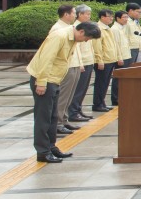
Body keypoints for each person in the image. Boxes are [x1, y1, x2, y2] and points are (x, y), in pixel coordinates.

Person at [27, 21, 101, 162]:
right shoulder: (59, 36)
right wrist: (41, 82)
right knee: (43, 118)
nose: (86, 41)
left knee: (53, 117)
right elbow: (45, 59)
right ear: (81, 32)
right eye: (87, 38)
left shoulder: (72, 37)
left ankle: (51, 147)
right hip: (45, 80)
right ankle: (42, 152)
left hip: (54, 79)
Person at [48, 4, 81, 134]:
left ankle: (64, 120)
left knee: (69, 96)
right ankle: (58, 123)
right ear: (66, 14)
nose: (75, 15)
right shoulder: (57, 29)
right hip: (65, 67)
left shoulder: (70, 28)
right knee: (62, 96)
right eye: (73, 13)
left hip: (74, 64)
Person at [66, 4, 95, 124]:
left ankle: (78, 109)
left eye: (89, 14)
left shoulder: (87, 27)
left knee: (83, 89)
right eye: (87, 14)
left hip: (89, 60)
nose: (89, 16)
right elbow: (76, 48)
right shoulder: (76, 28)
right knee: (77, 90)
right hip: (81, 62)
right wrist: (80, 63)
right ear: (79, 14)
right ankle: (73, 112)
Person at [90, 9, 120, 113]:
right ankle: (97, 104)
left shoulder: (108, 28)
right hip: (104, 61)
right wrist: (99, 60)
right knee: (100, 83)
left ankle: (102, 103)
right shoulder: (98, 29)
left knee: (106, 83)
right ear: (102, 17)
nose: (111, 18)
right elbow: (97, 46)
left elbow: (114, 45)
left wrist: (117, 57)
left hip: (110, 59)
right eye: (109, 16)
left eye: (112, 16)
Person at [109, 11, 131, 107]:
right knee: (118, 79)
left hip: (126, 55)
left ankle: (122, 96)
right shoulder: (115, 29)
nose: (126, 19)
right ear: (117, 18)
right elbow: (116, 44)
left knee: (124, 78)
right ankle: (115, 98)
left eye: (127, 17)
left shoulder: (122, 28)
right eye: (124, 17)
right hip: (121, 57)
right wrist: (119, 58)